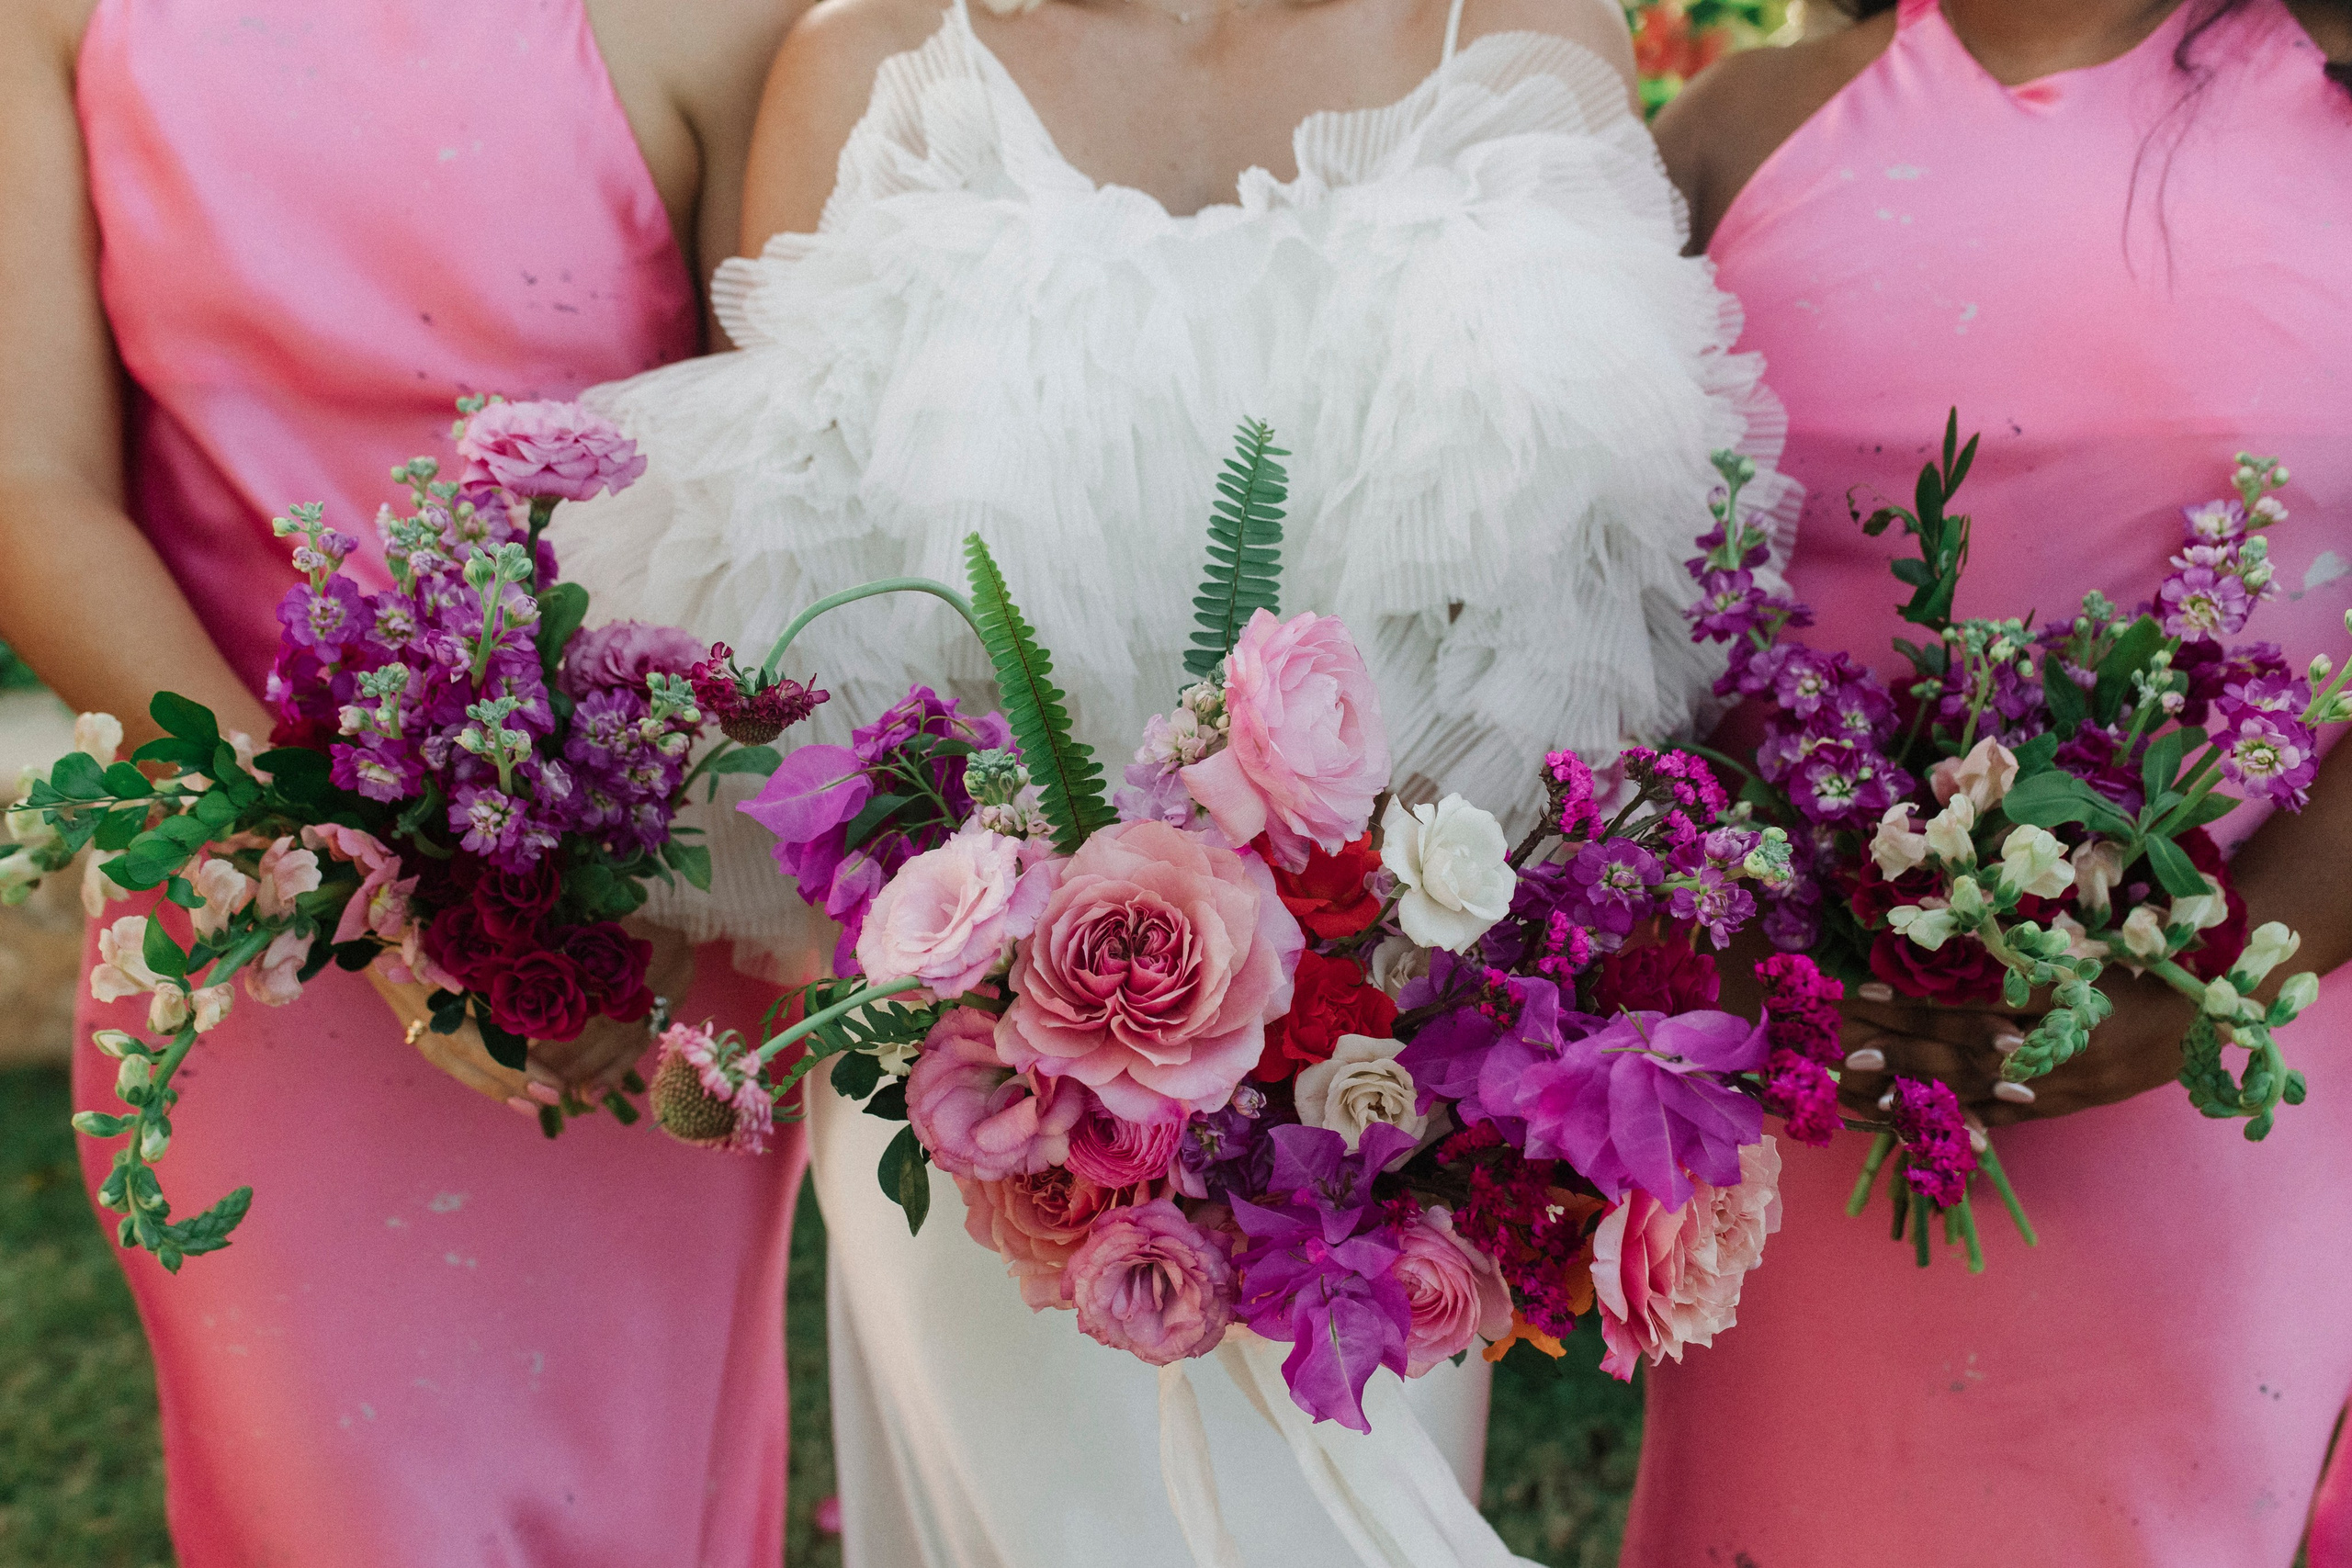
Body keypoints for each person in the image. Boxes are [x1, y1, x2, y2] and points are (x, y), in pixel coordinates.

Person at [547, 0, 1800, 1558]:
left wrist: (1373, 988)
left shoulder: (1526, 40)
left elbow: (1605, 615)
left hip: (1385, 1119)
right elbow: (805, 649)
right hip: (999, 1124)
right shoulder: (876, 76)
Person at [0, 0, 810, 1562]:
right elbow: (32, 486)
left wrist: (613, 873)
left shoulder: (729, 18)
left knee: (637, 1512)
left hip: (618, 931)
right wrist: (346, 888)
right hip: (245, 931)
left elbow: (780, 501)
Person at [1633, 2, 2352, 1562]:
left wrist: (2203, 980)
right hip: (1818, 1099)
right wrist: (1797, 954)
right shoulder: (1732, 134)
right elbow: (1606, 617)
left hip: (2235, 1111)